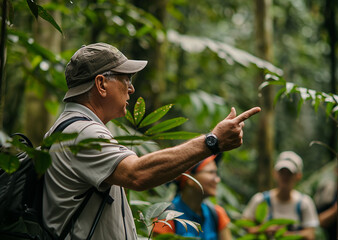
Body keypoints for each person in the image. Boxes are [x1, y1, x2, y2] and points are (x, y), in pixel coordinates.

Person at [42, 42, 261, 239]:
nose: (131, 88)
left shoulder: (68, 128)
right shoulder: (82, 132)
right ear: (101, 84)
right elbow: (137, 174)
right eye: (125, 79)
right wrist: (211, 142)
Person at [242, 151, 319, 240]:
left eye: (289, 173)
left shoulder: (305, 203)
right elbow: (245, 226)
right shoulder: (260, 200)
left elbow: (310, 235)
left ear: (298, 176)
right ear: (274, 173)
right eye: (282, 172)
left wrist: (285, 234)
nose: (285, 176)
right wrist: (264, 229)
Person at [153, 154, 232, 240]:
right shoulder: (166, 218)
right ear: (189, 178)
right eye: (211, 172)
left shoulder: (217, 214)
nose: (217, 180)